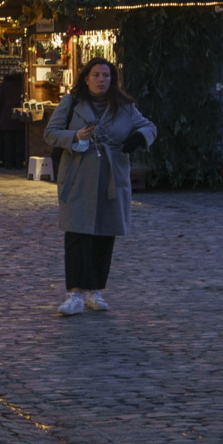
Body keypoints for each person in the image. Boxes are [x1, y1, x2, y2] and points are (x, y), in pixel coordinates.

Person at [44, 58, 157, 316]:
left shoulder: (124, 107)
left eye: (106, 75)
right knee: (77, 234)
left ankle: (95, 290)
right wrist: (74, 136)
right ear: (86, 78)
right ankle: (74, 293)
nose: (101, 80)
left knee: (105, 234)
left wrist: (138, 138)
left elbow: (149, 126)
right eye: (96, 75)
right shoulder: (71, 103)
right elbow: (50, 133)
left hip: (110, 179)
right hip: (78, 178)